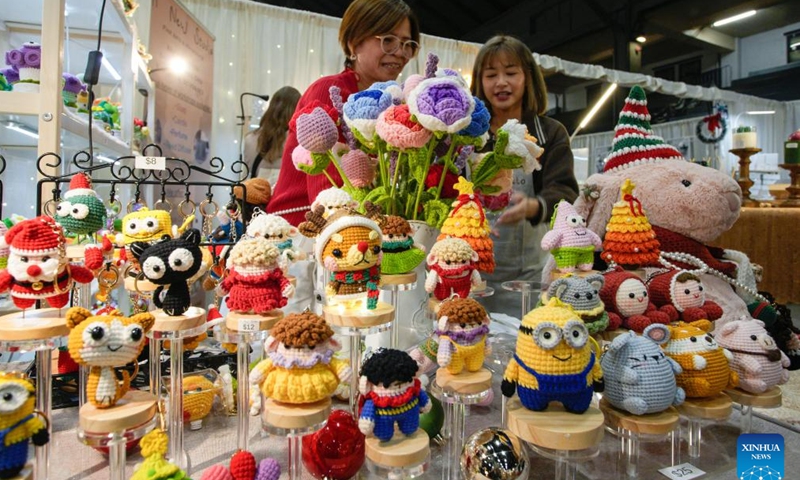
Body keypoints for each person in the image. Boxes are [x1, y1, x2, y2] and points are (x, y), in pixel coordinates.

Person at [267, 0, 420, 226]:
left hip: (363, 232)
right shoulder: (328, 91)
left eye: (408, 44)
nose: (400, 53)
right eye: (388, 40)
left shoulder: (395, 105)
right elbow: (328, 196)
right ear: (353, 43)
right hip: (300, 232)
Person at [470, 35, 579, 318]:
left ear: (528, 77)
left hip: (529, 278)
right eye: (491, 74)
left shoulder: (549, 133)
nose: (501, 82)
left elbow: (566, 193)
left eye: (511, 72)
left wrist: (533, 206)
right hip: (471, 275)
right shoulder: (469, 136)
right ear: (480, 81)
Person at [243, 86, 301, 185]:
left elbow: (246, 173)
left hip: (256, 196)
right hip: (285, 198)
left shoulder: (250, 139)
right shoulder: (298, 140)